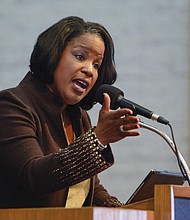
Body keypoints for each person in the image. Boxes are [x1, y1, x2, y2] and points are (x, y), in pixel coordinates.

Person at [0, 16, 140, 208]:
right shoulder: (12, 105)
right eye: (80, 57)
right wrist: (97, 139)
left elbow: (86, 188)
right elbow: (33, 176)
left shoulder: (78, 117)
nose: (89, 70)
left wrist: (125, 210)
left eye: (96, 64)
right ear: (53, 55)